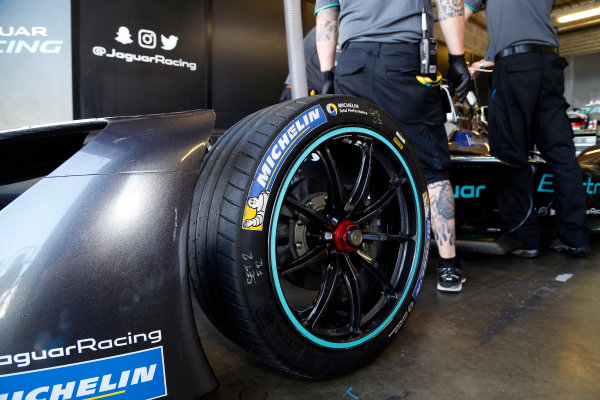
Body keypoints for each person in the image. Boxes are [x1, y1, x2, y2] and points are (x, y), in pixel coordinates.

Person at [315, 0, 471, 292]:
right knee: (431, 166)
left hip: (353, 64)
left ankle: (361, 261)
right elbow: (450, 3)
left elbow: (327, 14)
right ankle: (448, 265)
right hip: (406, 60)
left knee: (357, 162)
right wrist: (458, 58)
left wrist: (326, 75)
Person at [465, 0, 590, 256]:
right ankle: (575, 237)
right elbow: (526, 22)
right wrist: (490, 59)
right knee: (562, 156)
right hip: (548, 64)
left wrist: (459, 58)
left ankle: (524, 239)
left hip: (514, 69)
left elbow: (459, 13)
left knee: (511, 155)